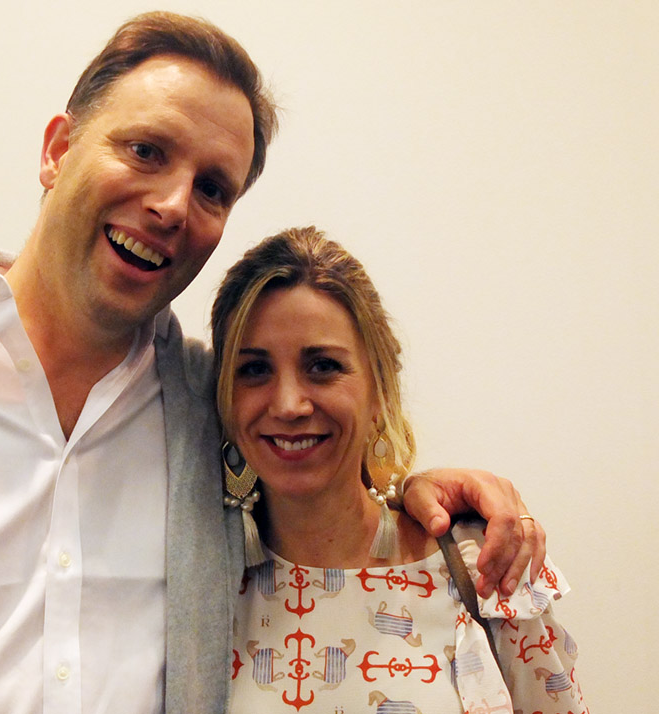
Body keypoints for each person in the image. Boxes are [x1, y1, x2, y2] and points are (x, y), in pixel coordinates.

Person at [0, 12, 544, 714]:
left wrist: (430, 495)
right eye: (146, 150)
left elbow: (318, 486)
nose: (172, 204)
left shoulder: (212, 418)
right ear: (56, 149)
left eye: (212, 188)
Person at [211, 226, 585, 712]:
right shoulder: (197, 582)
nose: (288, 404)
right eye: (254, 369)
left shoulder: (489, 566)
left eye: (322, 366)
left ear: (380, 390)